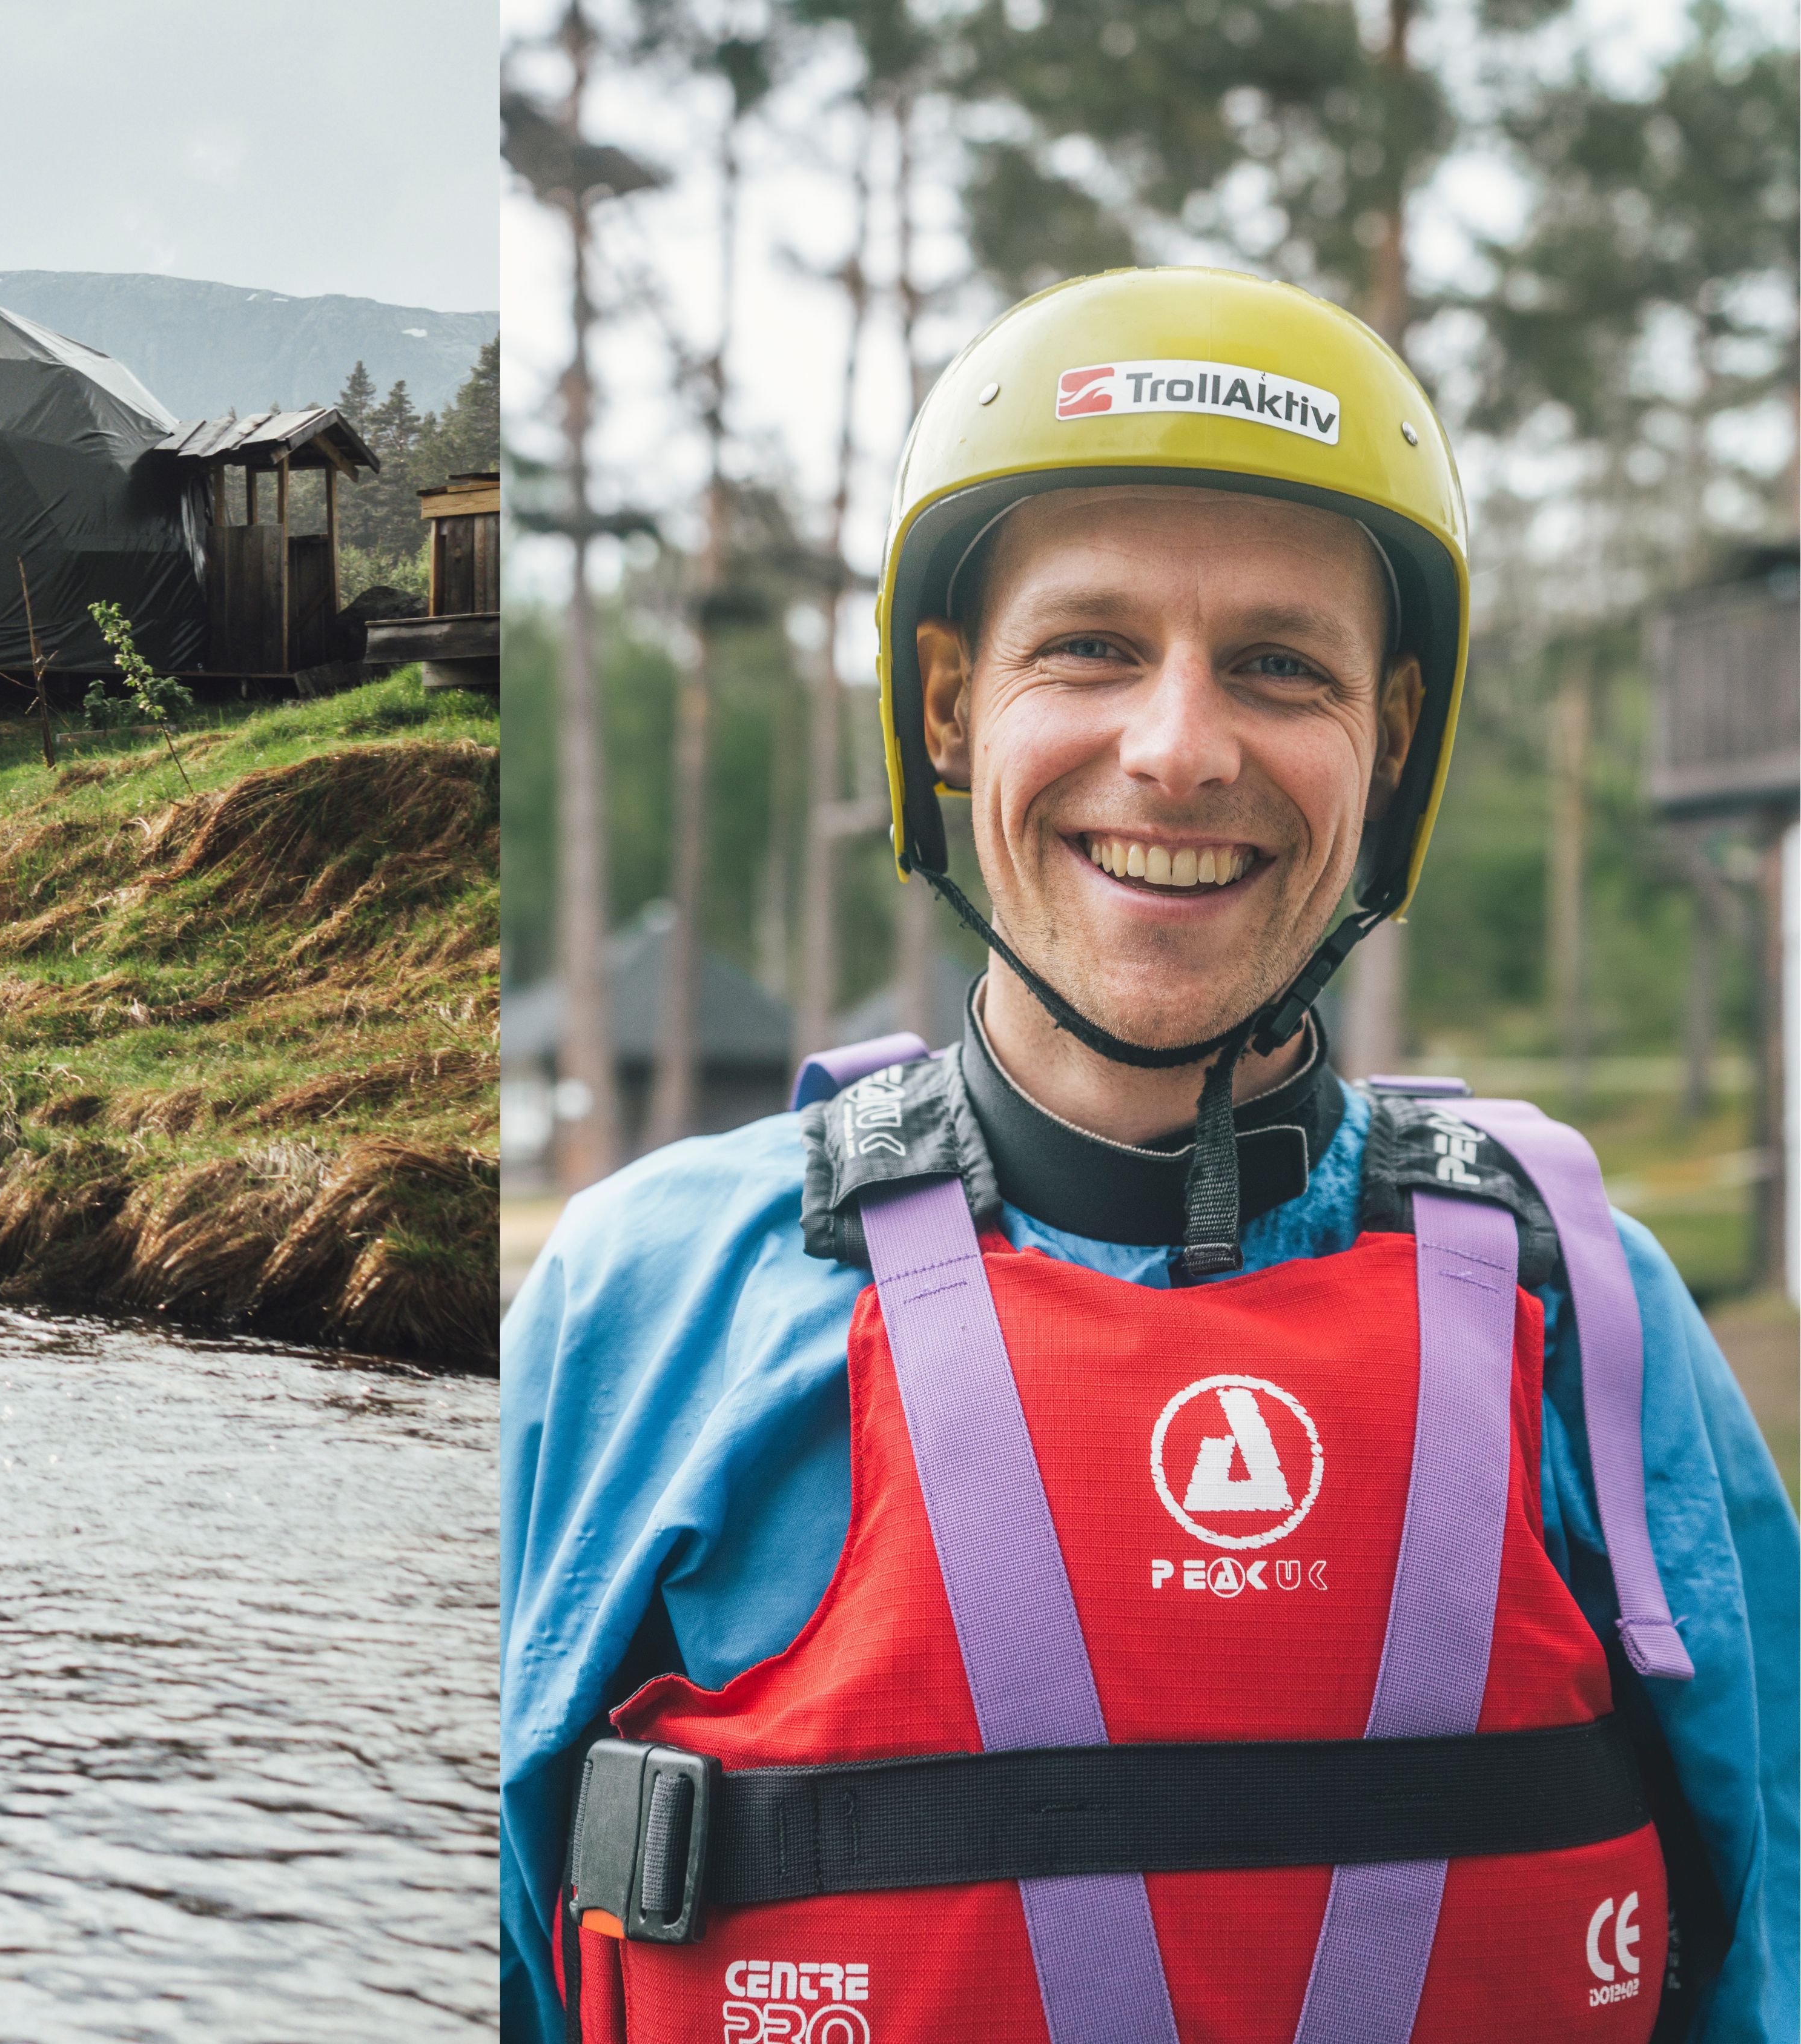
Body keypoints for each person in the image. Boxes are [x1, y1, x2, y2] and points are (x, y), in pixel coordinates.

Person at [501, 266, 1795, 2044]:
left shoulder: (1598, 1319)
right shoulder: (644, 1303)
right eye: (1091, 647)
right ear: (945, 709)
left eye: (1278, 665)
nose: (1180, 750)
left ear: (1389, 745)